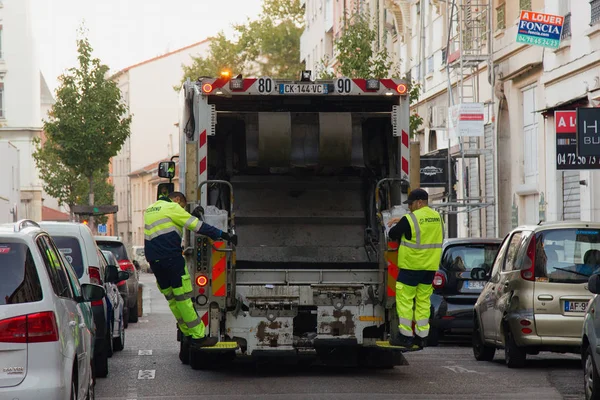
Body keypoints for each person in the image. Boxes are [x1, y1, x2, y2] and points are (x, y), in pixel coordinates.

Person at [143, 191, 237, 354]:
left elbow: (168, 227)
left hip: (155, 263)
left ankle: (187, 333)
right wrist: (223, 235)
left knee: (173, 300)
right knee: (184, 298)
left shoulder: (151, 209)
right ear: (177, 199)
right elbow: (197, 226)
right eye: (183, 207)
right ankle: (199, 337)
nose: (182, 210)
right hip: (172, 260)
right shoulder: (172, 207)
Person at [386, 188, 444, 348]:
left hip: (411, 267)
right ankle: (421, 336)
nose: (409, 207)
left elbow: (392, 234)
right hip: (429, 268)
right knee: (423, 301)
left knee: (405, 300)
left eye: (410, 204)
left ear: (419, 202)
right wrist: (403, 220)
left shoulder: (410, 219)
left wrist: (401, 222)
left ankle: (405, 336)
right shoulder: (438, 217)